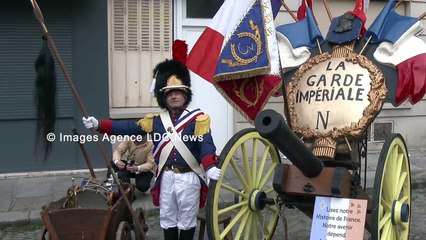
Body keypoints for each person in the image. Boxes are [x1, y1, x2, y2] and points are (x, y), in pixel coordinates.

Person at [82, 41, 221, 240]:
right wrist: (99, 125)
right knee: (168, 219)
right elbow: (128, 127)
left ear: (185, 95)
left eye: (178, 92)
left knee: (187, 220)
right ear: (164, 98)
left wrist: (208, 165)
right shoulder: (155, 121)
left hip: (188, 177)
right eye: (169, 93)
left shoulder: (198, 119)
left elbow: (206, 145)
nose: (174, 96)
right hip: (165, 178)